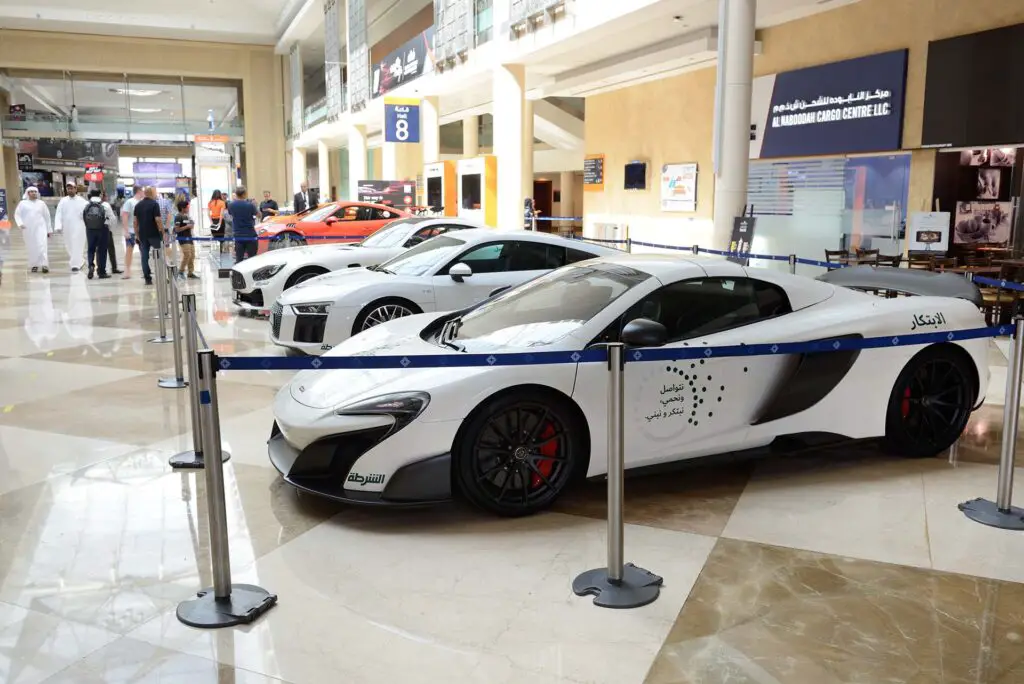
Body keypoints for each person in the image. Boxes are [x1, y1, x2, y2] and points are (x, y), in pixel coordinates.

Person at [14, 187, 52, 273]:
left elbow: (47, 217)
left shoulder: (41, 204)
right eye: (31, 192)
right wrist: (20, 223)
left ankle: (44, 265)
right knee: (32, 247)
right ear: (27, 193)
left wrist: (49, 230)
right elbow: (17, 215)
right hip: (28, 229)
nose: (34, 193)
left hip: (41, 228)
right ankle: (34, 265)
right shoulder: (22, 204)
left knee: (42, 245)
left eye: (35, 191)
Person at [133, 186, 164, 285]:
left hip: (143, 235)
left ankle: (148, 279)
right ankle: (161, 276)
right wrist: (162, 232)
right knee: (158, 256)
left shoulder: (138, 205)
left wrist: (137, 235)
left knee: (144, 257)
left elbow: (135, 222)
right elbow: (158, 220)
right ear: (152, 194)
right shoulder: (154, 204)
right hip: (154, 234)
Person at [55, 182, 88, 272]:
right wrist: (58, 225)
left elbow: (87, 213)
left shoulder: (82, 201)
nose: (70, 190)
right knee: (69, 245)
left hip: (79, 227)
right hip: (67, 227)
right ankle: (79, 261)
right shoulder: (63, 201)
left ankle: (75, 265)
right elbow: (58, 213)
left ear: (75, 189)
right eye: (68, 188)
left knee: (77, 244)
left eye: (72, 188)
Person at [83, 190, 116, 280]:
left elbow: (82, 216)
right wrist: (110, 228)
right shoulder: (105, 205)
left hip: (90, 230)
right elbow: (112, 219)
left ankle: (90, 266)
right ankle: (101, 272)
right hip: (103, 229)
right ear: (100, 195)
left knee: (91, 249)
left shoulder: (86, 205)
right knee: (102, 250)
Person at [226, 186, 260, 264]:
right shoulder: (250, 205)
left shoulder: (231, 205)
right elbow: (259, 215)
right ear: (244, 194)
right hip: (250, 235)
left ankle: (239, 275)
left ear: (236, 194)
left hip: (238, 235)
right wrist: (255, 206)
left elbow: (231, 214)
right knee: (252, 259)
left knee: (239, 259)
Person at [120, 186, 143, 280]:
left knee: (143, 251)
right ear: (139, 191)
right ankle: (127, 271)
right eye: (142, 191)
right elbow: (124, 216)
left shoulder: (142, 202)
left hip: (141, 231)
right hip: (131, 230)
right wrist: (126, 231)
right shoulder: (130, 202)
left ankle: (145, 270)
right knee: (129, 251)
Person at [173, 199, 199, 279]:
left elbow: (192, 225)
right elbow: (177, 229)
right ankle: (181, 271)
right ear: (182, 208)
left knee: (192, 255)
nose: (188, 209)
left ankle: (190, 273)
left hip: (190, 238)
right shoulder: (178, 217)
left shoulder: (187, 216)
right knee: (187, 255)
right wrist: (187, 226)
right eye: (187, 207)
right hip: (183, 239)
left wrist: (191, 224)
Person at [102, 191, 123, 275]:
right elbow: (113, 219)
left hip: (96, 231)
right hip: (107, 230)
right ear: (103, 197)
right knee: (111, 250)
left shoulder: (91, 204)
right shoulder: (106, 205)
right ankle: (114, 268)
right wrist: (112, 229)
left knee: (100, 251)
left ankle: (101, 269)